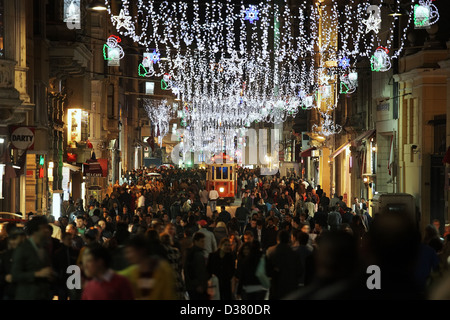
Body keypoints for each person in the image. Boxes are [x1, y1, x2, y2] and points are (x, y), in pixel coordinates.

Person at [11, 216, 55, 300]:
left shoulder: (43, 248)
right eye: (44, 228)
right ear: (36, 230)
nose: (47, 231)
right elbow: (15, 275)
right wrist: (37, 274)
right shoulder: (23, 249)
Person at [265, 230, 302, 299]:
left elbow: (267, 272)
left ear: (278, 239)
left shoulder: (271, 251)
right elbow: (299, 272)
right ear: (289, 239)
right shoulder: (294, 254)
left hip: (276, 287)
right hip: (291, 289)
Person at [0, 228, 26, 300]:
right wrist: (5, 278)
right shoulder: (5, 256)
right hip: (10, 292)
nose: (14, 242)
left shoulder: (30, 254)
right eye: (12, 239)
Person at [184, 232, 209, 300]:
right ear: (195, 241)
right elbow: (190, 271)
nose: (203, 243)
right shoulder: (193, 254)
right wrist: (197, 285)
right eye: (202, 241)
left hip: (197, 286)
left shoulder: (197, 253)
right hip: (196, 287)